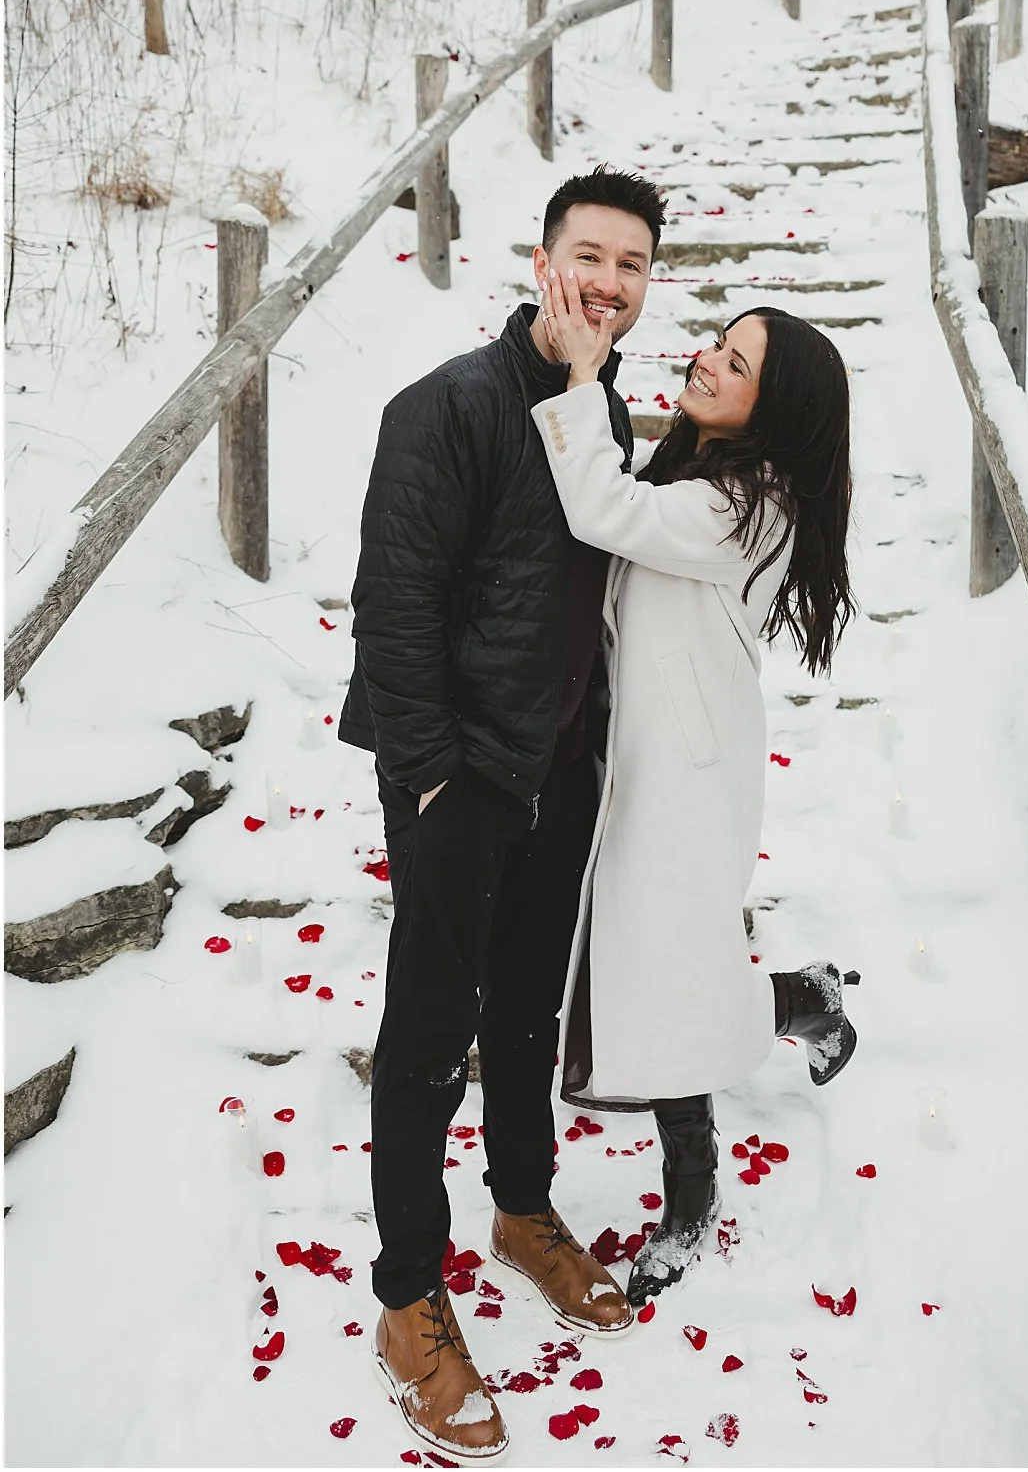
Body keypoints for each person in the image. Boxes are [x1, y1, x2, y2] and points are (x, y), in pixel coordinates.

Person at [343, 171, 663, 1462]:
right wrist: (428, 776)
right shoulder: (446, 407)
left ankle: (522, 1207)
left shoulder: (603, 407)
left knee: (528, 999)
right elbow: (397, 605)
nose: (609, 279)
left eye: (632, 263)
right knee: (429, 1030)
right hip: (456, 773)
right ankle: (407, 1293)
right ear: (540, 260)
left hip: (555, 763)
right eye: (589, 253)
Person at [528, 282, 859, 1309]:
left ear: (775, 410)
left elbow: (603, 506)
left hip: (688, 773)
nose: (709, 357)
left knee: (673, 970)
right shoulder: (708, 472)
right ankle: (807, 999)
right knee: (673, 963)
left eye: (738, 361)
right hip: (641, 757)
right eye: (718, 341)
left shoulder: (751, 503)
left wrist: (584, 375)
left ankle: (690, 1196)